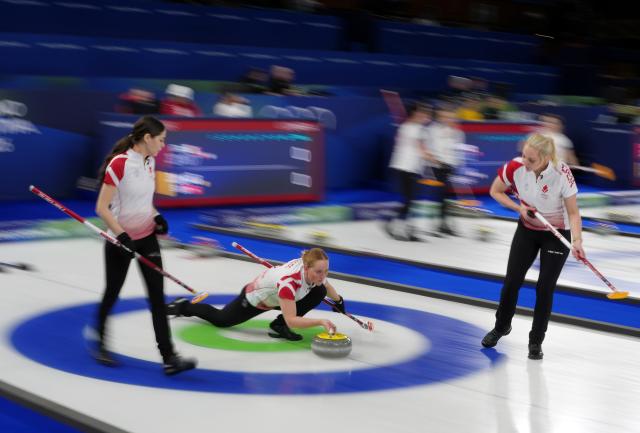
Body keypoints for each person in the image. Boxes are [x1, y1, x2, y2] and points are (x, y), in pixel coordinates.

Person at [92, 116, 197, 375]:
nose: (163, 145)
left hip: (146, 236)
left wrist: (156, 216)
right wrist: (121, 234)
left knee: (157, 298)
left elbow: (143, 201)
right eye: (161, 140)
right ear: (147, 138)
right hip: (120, 240)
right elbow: (101, 208)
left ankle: (169, 357)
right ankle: (101, 340)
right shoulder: (120, 164)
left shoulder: (150, 161)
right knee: (112, 292)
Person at [481, 133, 585, 360]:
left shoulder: (561, 173)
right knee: (511, 282)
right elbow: (495, 191)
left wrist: (577, 241)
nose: (525, 163)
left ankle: (535, 341)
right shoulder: (515, 167)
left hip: (556, 235)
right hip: (527, 231)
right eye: (523, 156)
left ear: (546, 157)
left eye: (531, 160)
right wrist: (518, 209)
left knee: (544, 289)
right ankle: (501, 327)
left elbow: (574, 212)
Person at [167, 248, 344, 341]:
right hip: (256, 298)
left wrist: (338, 300)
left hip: (279, 296)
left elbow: (324, 283)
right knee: (222, 320)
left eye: (326, 271)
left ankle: (278, 326)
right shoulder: (289, 283)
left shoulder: (311, 268)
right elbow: (293, 320)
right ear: (306, 268)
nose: (323, 275)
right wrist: (321, 321)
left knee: (319, 290)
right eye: (319, 272)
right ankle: (183, 306)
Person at [384, 102, 432, 241]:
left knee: (410, 200)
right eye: (423, 113)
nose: (426, 115)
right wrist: (436, 160)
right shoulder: (418, 129)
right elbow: (422, 150)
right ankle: (398, 226)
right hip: (408, 168)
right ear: (416, 114)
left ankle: (399, 226)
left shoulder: (404, 127)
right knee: (410, 201)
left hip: (402, 167)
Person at [424, 107, 465, 235]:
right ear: (439, 117)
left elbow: (458, 150)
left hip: (450, 167)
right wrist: (437, 162)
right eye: (445, 116)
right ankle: (437, 225)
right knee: (439, 196)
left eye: (450, 117)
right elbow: (428, 148)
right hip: (436, 167)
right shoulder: (432, 130)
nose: (448, 119)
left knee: (446, 197)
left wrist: (457, 165)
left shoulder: (457, 133)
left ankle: (443, 224)